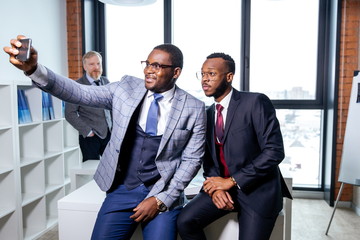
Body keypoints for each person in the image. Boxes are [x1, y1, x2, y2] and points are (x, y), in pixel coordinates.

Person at [4, 36, 206, 240]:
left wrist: (161, 200)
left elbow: (191, 161)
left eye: (157, 65)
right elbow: (79, 93)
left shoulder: (194, 108)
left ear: (176, 72)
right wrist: (34, 69)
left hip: (161, 192)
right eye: (147, 63)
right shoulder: (125, 88)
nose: (148, 70)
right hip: (122, 189)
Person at [177, 52, 292, 240]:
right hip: (223, 188)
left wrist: (231, 181)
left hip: (257, 191)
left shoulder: (255, 102)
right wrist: (216, 187)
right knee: (185, 221)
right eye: (202, 74)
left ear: (229, 77)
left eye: (211, 74)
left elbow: (274, 151)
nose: (205, 79)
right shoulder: (207, 114)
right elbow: (209, 160)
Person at [65, 51, 112, 162]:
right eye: (91, 64)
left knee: (111, 169)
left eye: (98, 64)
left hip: (108, 134)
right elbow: (69, 113)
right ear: (85, 66)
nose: (96, 67)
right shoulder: (76, 86)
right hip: (90, 137)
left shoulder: (106, 81)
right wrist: (87, 131)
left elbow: (112, 107)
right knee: (90, 171)